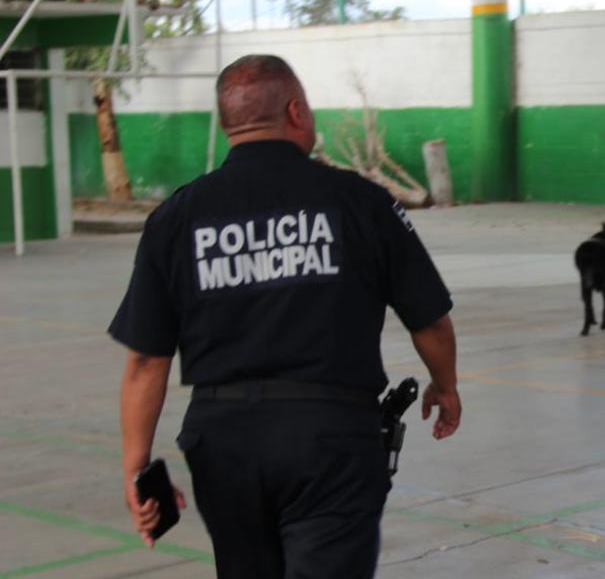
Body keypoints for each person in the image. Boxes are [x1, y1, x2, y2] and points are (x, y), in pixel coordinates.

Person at [111, 55, 461, 578]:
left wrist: (136, 466)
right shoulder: (361, 202)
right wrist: (444, 386)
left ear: (230, 122)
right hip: (332, 440)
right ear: (295, 111)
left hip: (222, 444)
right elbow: (430, 321)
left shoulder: (176, 217)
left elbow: (146, 361)